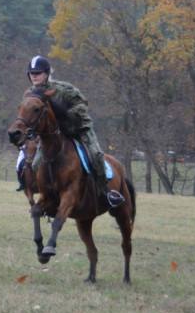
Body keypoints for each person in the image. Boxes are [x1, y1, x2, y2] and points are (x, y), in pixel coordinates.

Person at [24, 55, 124, 207]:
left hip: (79, 130)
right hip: (53, 138)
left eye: (38, 73)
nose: (34, 76)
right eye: (32, 73)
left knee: (96, 156)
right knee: (36, 162)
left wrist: (65, 115)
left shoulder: (64, 89)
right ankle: (47, 195)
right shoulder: (29, 95)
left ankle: (105, 193)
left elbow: (82, 105)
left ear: (47, 73)